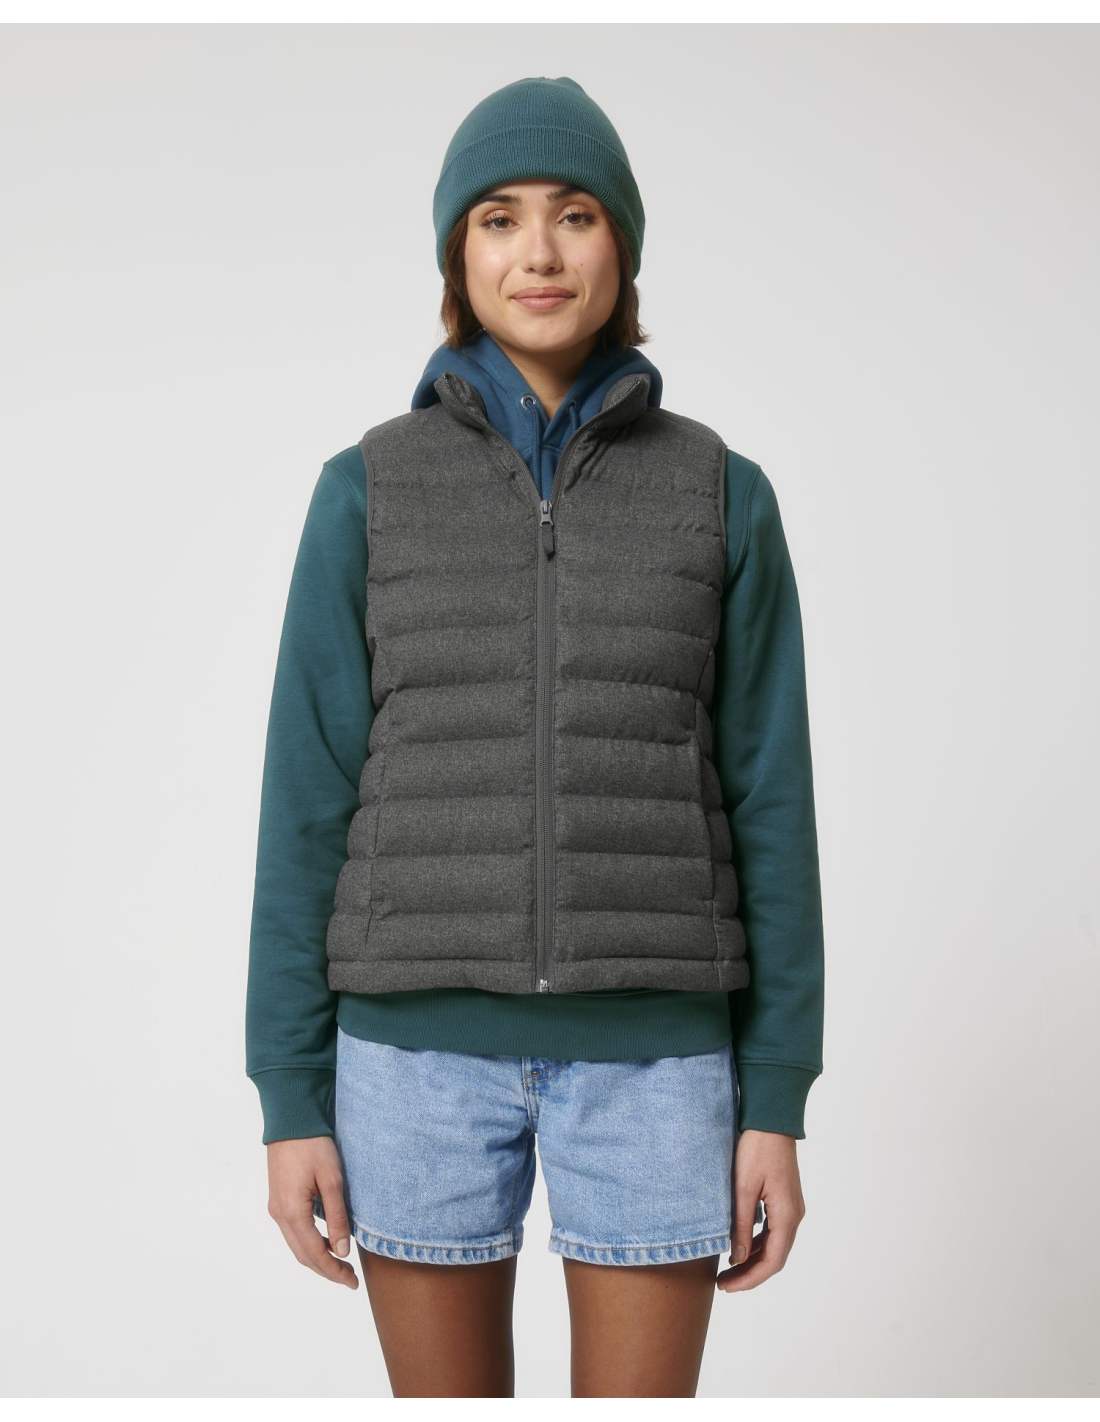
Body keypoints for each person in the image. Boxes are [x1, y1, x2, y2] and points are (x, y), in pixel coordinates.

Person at [245, 75, 825, 1398]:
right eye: (499, 219)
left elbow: (770, 800)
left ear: (622, 245)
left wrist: (778, 1092)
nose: (540, 252)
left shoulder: (722, 494)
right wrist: (289, 1092)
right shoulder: (367, 490)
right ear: (459, 256)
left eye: (576, 214)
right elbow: (306, 797)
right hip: (411, 1062)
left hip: (660, 1062)